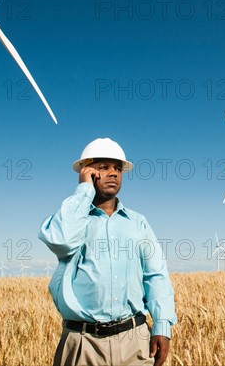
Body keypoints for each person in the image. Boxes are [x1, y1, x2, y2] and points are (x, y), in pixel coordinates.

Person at [39, 138, 177, 366]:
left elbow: (156, 275)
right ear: (88, 171)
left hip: (135, 340)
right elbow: (61, 242)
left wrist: (162, 325)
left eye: (118, 168)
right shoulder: (71, 219)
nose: (113, 173)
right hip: (83, 342)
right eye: (104, 167)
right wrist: (84, 190)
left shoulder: (137, 222)